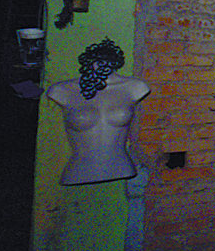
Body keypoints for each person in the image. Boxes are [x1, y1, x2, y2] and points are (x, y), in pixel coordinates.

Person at [47, 38, 150, 185]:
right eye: (98, 60)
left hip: (121, 168)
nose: (102, 64)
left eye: (106, 60)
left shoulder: (135, 87)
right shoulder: (61, 90)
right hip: (78, 172)